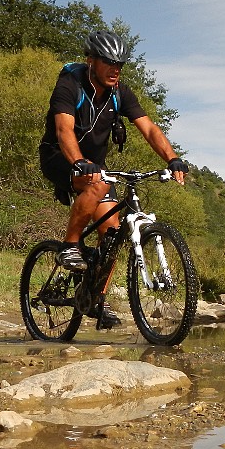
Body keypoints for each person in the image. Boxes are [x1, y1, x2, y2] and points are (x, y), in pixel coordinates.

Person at [39, 29, 189, 328]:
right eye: (109, 62)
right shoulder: (70, 85)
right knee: (98, 183)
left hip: (93, 166)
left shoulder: (120, 92)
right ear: (91, 60)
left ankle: (93, 300)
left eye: (120, 64)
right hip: (59, 157)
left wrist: (172, 158)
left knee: (112, 235)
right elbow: (63, 131)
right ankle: (69, 246)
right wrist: (79, 162)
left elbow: (149, 129)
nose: (115, 69)